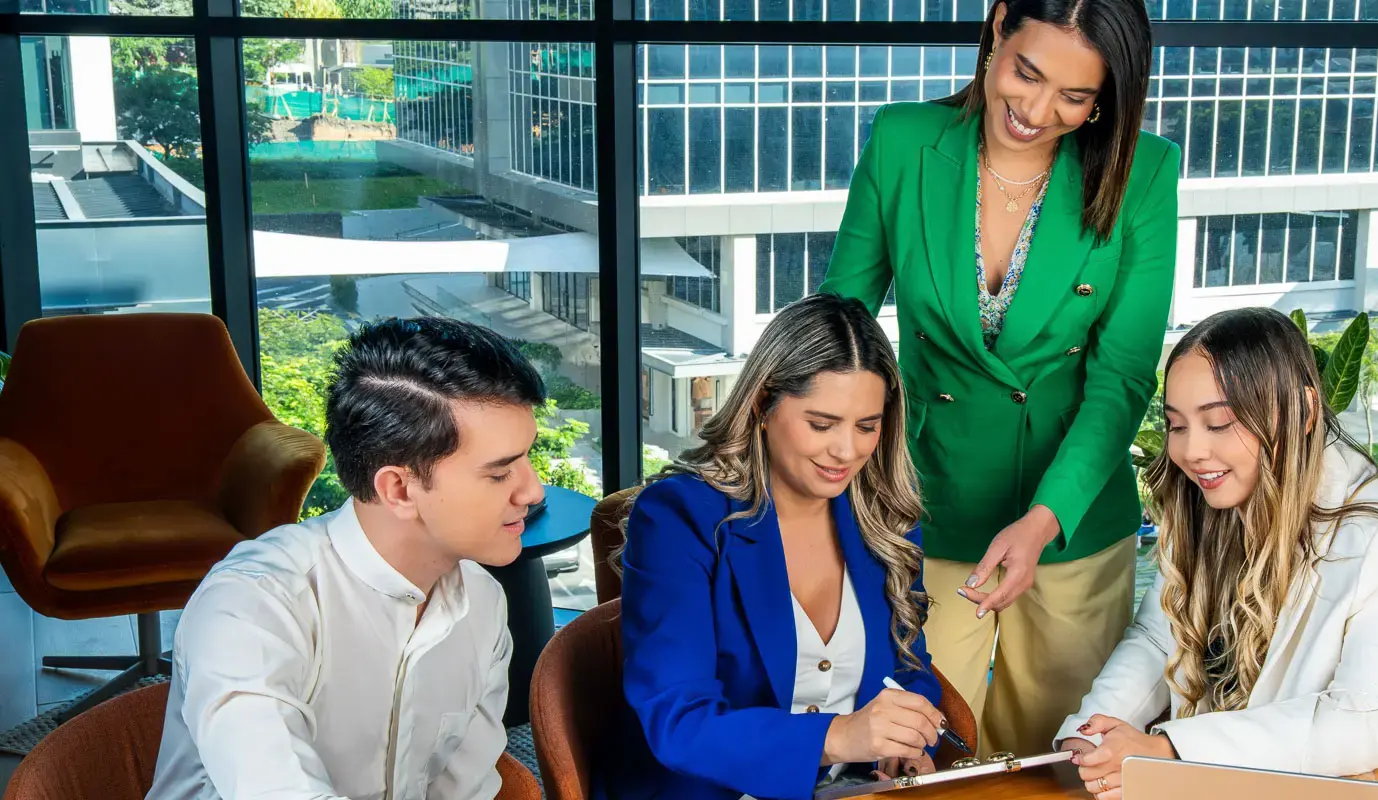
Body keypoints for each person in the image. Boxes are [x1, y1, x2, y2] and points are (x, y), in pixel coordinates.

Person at [819, 0, 1179, 755]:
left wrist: (1045, 519)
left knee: (1060, 755)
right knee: (920, 743)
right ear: (998, 26)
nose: (1037, 110)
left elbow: (1121, 377)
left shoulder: (1142, 171)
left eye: (1075, 98)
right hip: (928, 499)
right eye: (1026, 72)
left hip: (1072, 516)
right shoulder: (902, 141)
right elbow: (838, 334)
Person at [1054, 307, 1378, 800]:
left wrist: (1169, 749)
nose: (1191, 451)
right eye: (1177, 425)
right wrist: (1088, 735)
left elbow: (1364, 726)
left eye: (1219, 423)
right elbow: (1156, 639)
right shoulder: (1206, 508)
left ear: (1304, 411)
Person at [147, 317, 547, 800]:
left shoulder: (482, 603)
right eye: (500, 473)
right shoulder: (254, 603)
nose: (533, 490)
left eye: (527, 458)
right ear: (398, 488)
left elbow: (465, 791)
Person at [608, 293, 946, 800]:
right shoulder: (679, 516)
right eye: (822, 424)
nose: (847, 451)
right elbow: (678, 722)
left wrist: (906, 738)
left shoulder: (884, 516)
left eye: (867, 426)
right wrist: (837, 737)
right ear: (763, 404)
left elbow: (909, 667)